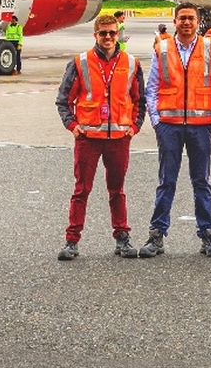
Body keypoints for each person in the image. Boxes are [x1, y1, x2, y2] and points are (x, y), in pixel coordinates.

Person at [55, 14, 145, 260]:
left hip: (118, 138)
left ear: (118, 35)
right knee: (81, 189)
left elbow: (140, 100)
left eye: (112, 33)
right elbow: (63, 100)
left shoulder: (131, 62)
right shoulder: (80, 62)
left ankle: (122, 238)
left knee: (117, 190)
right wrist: (72, 125)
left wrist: (134, 127)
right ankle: (72, 240)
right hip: (88, 138)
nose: (107, 37)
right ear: (95, 35)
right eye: (103, 33)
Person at [142, 2, 211, 258]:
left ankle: (207, 235)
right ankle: (156, 235)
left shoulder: (210, 48)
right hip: (170, 126)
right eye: (182, 18)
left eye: (191, 18)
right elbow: (152, 88)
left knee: (201, 181)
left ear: (198, 21)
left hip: (201, 126)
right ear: (175, 21)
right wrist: (156, 121)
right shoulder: (163, 48)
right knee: (166, 181)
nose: (186, 22)